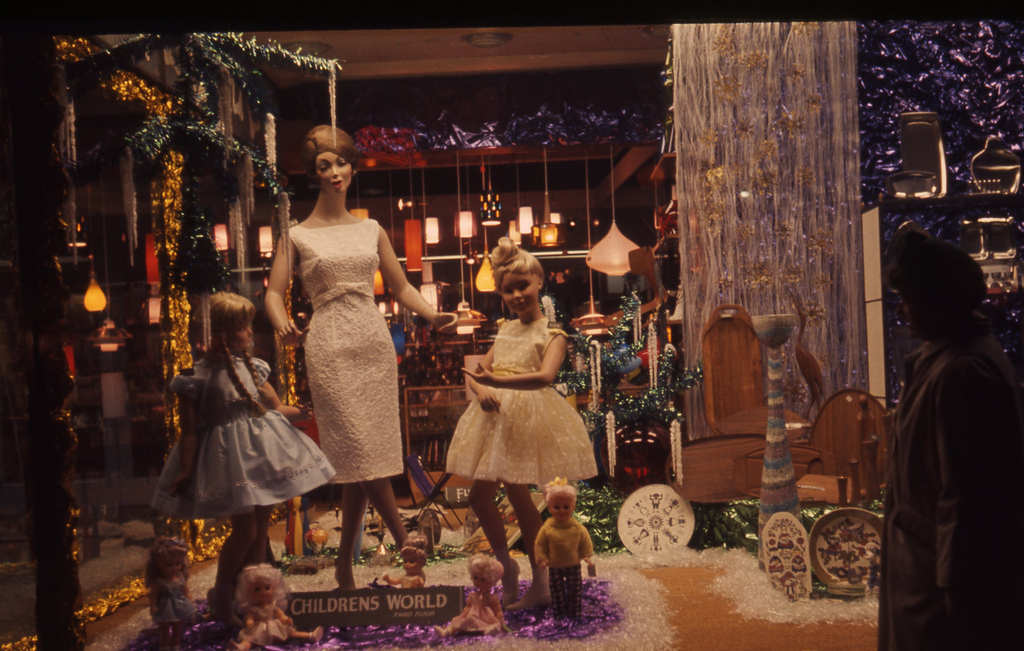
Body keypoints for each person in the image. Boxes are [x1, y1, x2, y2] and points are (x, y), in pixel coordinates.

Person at [265, 125, 455, 590]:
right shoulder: (297, 235)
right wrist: (280, 321)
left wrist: (432, 314)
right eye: (324, 165)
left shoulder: (370, 229)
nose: (335, 173)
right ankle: (406, 540)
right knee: (355, 445)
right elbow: (272, 292)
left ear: (352, 167)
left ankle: (346, 569)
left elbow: (402, 286)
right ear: (312, 173)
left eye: (342, 163)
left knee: (357, 456)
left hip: (372, 340)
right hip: (328, 342)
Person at [151, 292, 335, 626]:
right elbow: (190, 432)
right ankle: (222, 593)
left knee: (260, 530)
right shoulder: (196, 376)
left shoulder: (252, 368)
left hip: (263, 455)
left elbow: (275, 409)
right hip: (231, 462)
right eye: (242, 327)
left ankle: (256, 598)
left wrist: (303, 411)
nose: (250, 334)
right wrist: (186, 470)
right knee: (246, 530)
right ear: (221, 332)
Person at [879, 227, 1024, 650]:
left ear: (939, 300)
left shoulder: (964, 371)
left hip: (938, 582)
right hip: (922, 569)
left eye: (909, 299)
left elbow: (967, 495)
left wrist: (956, 588)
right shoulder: (942, 359)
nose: (904, 312)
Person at [446, 237, 597, 610]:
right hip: (495, 417)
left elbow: (545, 377)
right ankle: (507, 567)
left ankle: (541, 579)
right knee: (481, 497)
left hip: (527, 418)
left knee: (518, 496)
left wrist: (496, 382)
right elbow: (477, 371)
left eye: (523, 286)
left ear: (539, 283)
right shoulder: (506, 329)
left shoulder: (553, 334)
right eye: (508, 289)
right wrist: (481, 389)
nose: (516, 295)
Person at [534, 478, 594, 619]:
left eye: (566, 507)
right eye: (557, 507)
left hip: (573, 565)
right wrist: (542, 559)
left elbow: (585, 541)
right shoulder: (547, 527)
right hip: (554, 566)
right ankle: (559, 614)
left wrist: (586, 555)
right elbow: (540, 544)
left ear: (572, 507)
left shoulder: (576, 527)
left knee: (575, 590)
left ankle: (575, 612)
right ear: (549, 508)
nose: (561, 511)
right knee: (556, 591)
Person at [229, 564, 323, 650]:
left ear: (273, 588)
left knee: (290, 633)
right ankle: (241, 647)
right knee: (249, 640)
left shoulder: (273, 606)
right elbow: (250, 619)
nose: (263, 592)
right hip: (259, 631)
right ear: (248, 591)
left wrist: (285, 619)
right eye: (257, 589)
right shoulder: (253, 609)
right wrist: (250, 622)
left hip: (274, 628)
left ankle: (310, 636)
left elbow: (281, 616)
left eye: (267, 588)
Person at [145, 537, 198, 651]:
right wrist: (153, 606)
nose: (174, 568)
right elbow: (154, 596)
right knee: (164, 630)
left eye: (177, 563)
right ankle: (164, 646)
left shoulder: (180, 578)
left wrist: (190, 600)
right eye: (169, 565)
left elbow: (185, 591)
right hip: (165, 608)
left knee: (177, 629)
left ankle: (175, 647)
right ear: (158, 565)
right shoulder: (159, 582)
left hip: (179, 606)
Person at [434, 554, 505, 637]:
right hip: (470, 617)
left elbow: (497, 611)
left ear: (492, 580)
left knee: (492, 624)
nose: (478, 582)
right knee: (458, 622)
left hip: (485, 618)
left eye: (483, 579)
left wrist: (500, 619)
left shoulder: (491, 597)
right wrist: (463, 615)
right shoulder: (472, 595)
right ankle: (447, 632)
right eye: (475, 578)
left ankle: (490, 631)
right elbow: (468, 607)